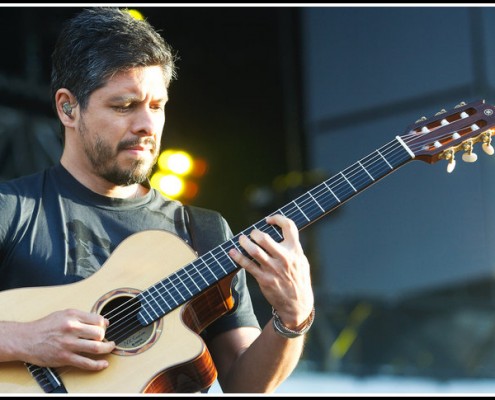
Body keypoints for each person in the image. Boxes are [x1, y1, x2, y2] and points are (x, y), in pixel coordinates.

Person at [0, 7, 315, 394]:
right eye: (124, 106)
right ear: (68, 107)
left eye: (156, 106)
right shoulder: (11, 209)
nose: (147, 126)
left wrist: (291, 318)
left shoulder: (202, 232)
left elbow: (245, 385)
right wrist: (21, 338)